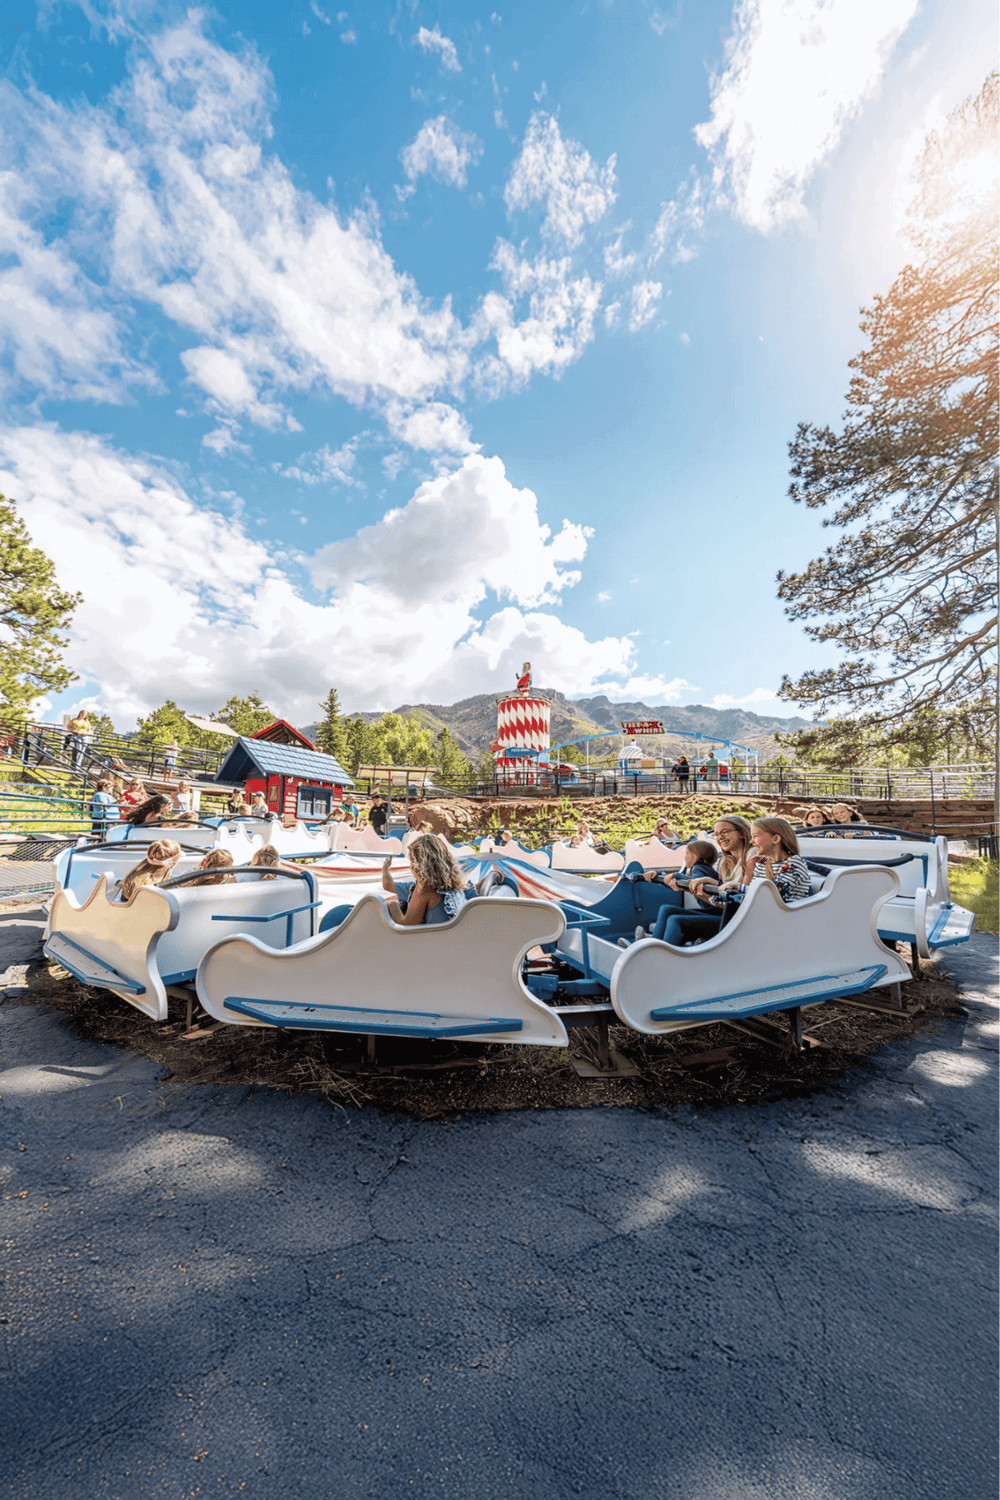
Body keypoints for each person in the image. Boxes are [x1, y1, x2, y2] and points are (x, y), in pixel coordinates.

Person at [622, 840, 721, 946]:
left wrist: (675, 876)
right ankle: (653, 943)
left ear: (695, 856)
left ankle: (655, 947)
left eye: (687, 853)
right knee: (667, 909)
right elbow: (683, 882)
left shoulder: (699, 868)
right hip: (712, 911)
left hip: (717, 914)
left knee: (672, 915)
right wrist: (660, 874)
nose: (684, 857)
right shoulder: (707, 870)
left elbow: (692, 881)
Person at [381, 834, 468, 926]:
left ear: (418, 865)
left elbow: (407, 925)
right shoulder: (455, 884)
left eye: (411, 861)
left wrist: (392, 906)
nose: (411, 867)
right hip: (453, 936)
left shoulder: (425, 888)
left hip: (432, 938)